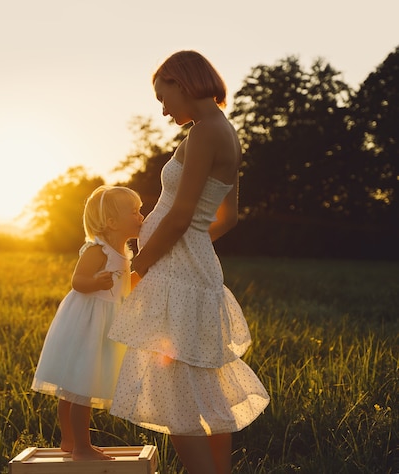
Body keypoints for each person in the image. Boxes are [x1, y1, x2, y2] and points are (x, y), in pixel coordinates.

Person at [108, 50, 270, 474]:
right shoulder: (222, 130)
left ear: (184, 83)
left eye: (165, 97)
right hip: (190, 266)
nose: (163, 110)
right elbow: (227, 217)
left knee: (174, 394)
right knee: (203, 385)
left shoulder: (205, 133)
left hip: (177, 273)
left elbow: (180, 215)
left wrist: (140, 264)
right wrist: (190, 245)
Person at [31, 185, 144, 461]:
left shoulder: (123, 252)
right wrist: (94, 282)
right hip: (88, 322)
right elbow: (77, 282)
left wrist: (138, 278)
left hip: (104, 321)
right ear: (111, 222)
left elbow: (121, 288)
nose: (141, 216)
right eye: (135, 212)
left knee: (76, 385)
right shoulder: (98, 250)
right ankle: (80, 446)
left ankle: (70, 441)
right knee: (81, 386)